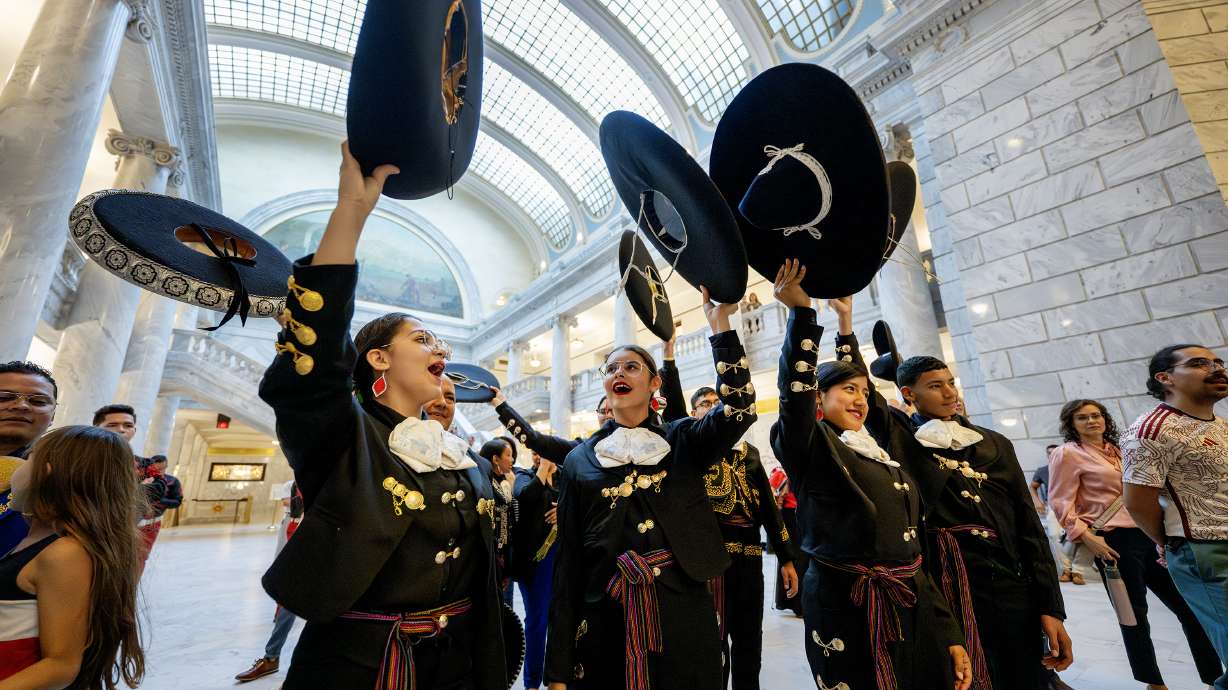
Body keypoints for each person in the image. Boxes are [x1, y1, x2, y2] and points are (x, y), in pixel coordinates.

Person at [257, 142, 510, 689]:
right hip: (363, 666)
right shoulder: (346, 433)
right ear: (378, 359)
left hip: (459, 663)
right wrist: (351, 212)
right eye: (422, 338)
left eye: (439, 340)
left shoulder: (457, 452)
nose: (439, 347)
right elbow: (314, 364)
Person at [769, 260, 970, 690]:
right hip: (846, 609)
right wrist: (802, 317)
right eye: (848, 390)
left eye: (864, 390)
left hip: (911, 604)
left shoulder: (881, 451)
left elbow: (909, 556)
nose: (861, 400)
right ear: (820, 399)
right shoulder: (811, 446)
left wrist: (949, 633)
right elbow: (794, 395)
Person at [544, 284, 755, 690]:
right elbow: (568, 563)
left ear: (655, 383)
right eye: (611, 369)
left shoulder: (683, 440)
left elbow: (741, 410)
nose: (618, 373)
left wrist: (721, 327)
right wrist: (557, 670)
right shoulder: (578, 461)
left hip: (684, 608)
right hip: (606, 612)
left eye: (631, 367)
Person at [890, 348, 1073, 690]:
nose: (949, 393)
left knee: (1026, 673)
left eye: (951, 383)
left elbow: (1029, 529)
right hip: (948, 585)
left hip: (1012, 582)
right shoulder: (903, 442)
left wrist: (1051, 607)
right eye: (935, 386)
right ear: (909, 395)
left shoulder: (994, 443)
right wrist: (844, 326)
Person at [1051, 398, 1221, 689]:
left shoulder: (1120, 450)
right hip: (1112, 542)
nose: (1092, 421)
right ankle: (1153, 682)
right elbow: (1060, 501)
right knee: (1133, 615)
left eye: (1097, 415)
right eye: (1083, 418)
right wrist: (1088, 538)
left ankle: (1213, 677)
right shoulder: (1068, 454)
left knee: (1189, 607)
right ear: (1072, 424)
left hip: (1149, 534)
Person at [0, 425, 145, 688]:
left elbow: (61, 665)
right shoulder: (36, 536)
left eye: (30, 459)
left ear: (46, 473)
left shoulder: (65, 553)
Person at [1123, 344, 1228, 690]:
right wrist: (1169, 544)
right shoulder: (1153, 429)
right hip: (1206, 551)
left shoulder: (1221, 425)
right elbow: (1138, 500)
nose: (1216, 368)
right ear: (1165, 378)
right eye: (1199, 364)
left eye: (1218, 362)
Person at [690, 385, 800, 690]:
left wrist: (787, 558)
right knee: (711, 642)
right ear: (693, 413)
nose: (712, 407)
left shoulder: (748, 453)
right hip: (710, 563)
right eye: (705, 404)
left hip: (749, 560)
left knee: (750, 641)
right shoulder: (692, 451)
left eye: (717, 402)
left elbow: (768, 506)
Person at [235, 481, 305, 683]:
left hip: (321, 541)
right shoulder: (298, 481)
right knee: (288, 602)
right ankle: (272, 657)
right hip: (296, 532)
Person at [0, 361, 57, 556]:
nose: (21, 406)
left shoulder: (64, 479)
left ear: (53, 416)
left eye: (38, 402)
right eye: (4, 397)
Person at [513, 451, 559, 690]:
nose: (539, 455)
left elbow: (583, 506)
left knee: (560, 621)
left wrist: (563, 513)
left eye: (544, 450)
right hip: (535, 563)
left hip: (563, 560)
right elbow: (524, 497)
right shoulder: (523, 475)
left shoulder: (565, 477)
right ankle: (531, 683)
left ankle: (555, 678)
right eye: (535, 452)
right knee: (537, 622)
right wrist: (543, 469)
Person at [1031, 446, 1083, 584]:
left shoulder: (1072, 466)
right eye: (1050, 453)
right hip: (1054, 507)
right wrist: (1037, 502)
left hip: (1076, 506)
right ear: (1047, 455)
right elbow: (1033, 487)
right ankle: (1066, 569)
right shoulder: (1042, 470)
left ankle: (1078, 571)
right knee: (1055, 536)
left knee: (1077, 536)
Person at [478, 437, 517, 604]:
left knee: (506, 608)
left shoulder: (505, 481)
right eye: (508, 455)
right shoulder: (483, 482)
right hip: (491, 557)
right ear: (495, 459)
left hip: (505, 556)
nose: (512, 459)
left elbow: (514, 517)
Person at [768, 465, 805, 616]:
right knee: (792, 557)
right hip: (789, 518)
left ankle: (797, 602)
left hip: (797, 516)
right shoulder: (780, 472)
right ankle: (796, 603)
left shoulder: (794, 471)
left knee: (798, 558)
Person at [135, 455, 182, 560]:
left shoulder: (173, 481)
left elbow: (177, 502)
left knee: (142, 556)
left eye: (162, 468)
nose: (160, 471)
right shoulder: (141, 477)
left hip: (152, 523)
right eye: (156, 468)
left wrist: (157, 498)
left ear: (166, 466)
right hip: (134, 521)